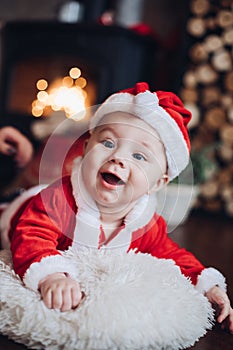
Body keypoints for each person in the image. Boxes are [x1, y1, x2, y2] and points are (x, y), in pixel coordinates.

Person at [1, 82, 233, 333]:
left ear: (158, 183)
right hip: (20, 207)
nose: (118, 157)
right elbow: (32, 233)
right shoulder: (58, 199)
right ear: (87, 147)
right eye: (108, 143)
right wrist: (52, 275)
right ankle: (16, 175)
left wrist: (208, 285)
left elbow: (174, 257)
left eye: (139, 156)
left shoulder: (146, 223)